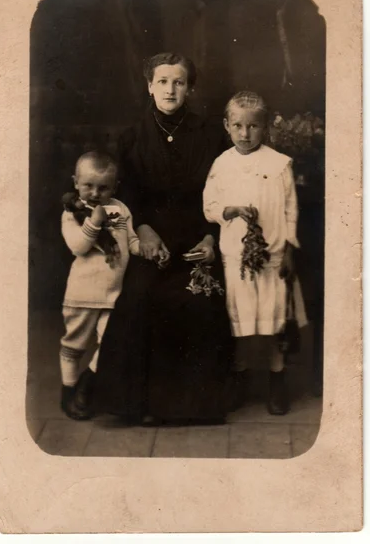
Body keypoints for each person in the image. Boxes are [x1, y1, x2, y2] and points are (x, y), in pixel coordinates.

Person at [94, 52, 233, 425]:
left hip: (195, 241)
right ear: (149, 86)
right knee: (140, 295)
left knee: (197, 301)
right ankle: (139, 404)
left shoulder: (210, 135)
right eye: (162, 81)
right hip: (149, 242)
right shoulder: (131, 137)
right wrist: (142, 228)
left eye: (178, 82)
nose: (170, 89)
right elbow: (127, 195)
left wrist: (210, 238)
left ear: (189, 87)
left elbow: (224, 192)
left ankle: (185, 407)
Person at [203, 91, 307, 415]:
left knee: (275, 321)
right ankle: (241, 376)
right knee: (241, 320)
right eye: (238, 126)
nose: (245, 134)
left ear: (265, 128)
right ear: (227, 125)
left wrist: (289, 249)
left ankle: (277, 378)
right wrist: (229, 210)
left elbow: (291, 210)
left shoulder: (278, 165)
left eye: (253, 127)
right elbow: (209, 206)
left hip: (273, 256)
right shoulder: (221, 164)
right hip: (237, 258)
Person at [60, 151, 139, 420]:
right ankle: (68, 390)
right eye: (88, 186)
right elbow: (78, 247)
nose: (95, 193)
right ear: (76, 183)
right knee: (74, 344)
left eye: (103, 187)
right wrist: (95, 221)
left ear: (114, 187)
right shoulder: (73, 212)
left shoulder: (120, 208)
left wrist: (146, 249)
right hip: (82, 294)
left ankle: (87, 381)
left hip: (113, 294)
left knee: (111, 345)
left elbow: (130, 241)